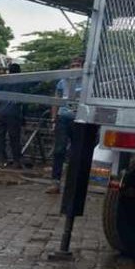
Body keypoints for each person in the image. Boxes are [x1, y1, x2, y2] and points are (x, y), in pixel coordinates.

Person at [46, 56, 83, 194]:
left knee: (77, 151)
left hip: (79, 120)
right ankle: (55, 182)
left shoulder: (86, 82)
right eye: (73, 65)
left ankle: (73, 183)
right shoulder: (63, 81)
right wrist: (53, 119)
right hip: (63, 118)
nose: (75, 68)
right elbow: (56, 99)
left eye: (78, 65)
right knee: (59, 150)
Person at [0, 63, 24, 169]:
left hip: (0, 112)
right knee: (14, 137)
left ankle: (1, 160)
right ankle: (16, 161)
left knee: (0, 136)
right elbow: (25, 100)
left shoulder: (3, 81)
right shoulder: (20, 83)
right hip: (14, 113)